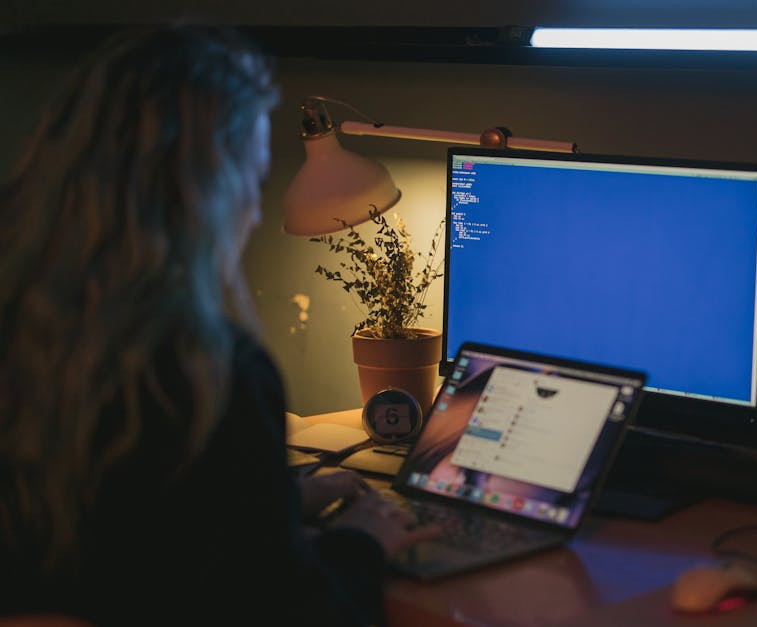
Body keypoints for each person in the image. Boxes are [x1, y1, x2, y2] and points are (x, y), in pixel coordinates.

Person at [0, 24, 436, 626]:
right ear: (212, 189)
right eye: (254, 179)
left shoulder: (30, 325)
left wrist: (272, 501)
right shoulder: (208, 370)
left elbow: (128, 522)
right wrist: (363, 540)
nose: (256, 210)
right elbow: (298, 617)